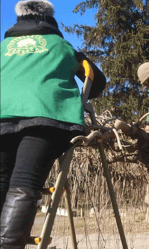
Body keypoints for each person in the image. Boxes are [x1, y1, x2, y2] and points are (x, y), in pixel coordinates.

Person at [0, 1, 106, 248]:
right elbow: (96, 82)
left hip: (1, 117)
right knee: (24, 185)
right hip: (47, 116)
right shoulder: (62, 46)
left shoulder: (3, 47)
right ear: (49, 19)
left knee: (2, 181)